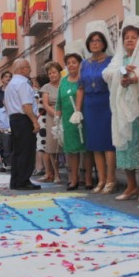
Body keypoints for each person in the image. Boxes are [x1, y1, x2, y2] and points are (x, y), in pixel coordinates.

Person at [103, 16, 139, 202]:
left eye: (133, 36)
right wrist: (122, 71)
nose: (129, 39)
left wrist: (136, 77)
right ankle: (131, 186)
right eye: (126, 36)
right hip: (123, 111)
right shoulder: (119, 58)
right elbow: (107, 74)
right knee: (125, 147)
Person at [75, 28, 116, 193]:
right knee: (95, 145)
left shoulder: (111, 61)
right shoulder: (84, 63)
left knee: (108, 144)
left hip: (106, 103)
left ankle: (111, 179)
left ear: (104, 43)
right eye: (92, 41)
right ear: (88, 44)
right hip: (90, 105)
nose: (95, 43)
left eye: (98, 40)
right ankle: (101, 179)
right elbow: (80, 88)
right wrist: (78, 109)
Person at [4, 58, 40, 190]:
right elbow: (26, 105)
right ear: (22, 69)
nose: (30, 70)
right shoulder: (23, 83)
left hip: (14, 119)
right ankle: (23, 180)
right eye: (28, 68)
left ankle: (16, 180)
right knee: (26, 150)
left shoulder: (11, 84)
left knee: (18, 151)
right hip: (24, 119)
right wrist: (34, 121)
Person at [55, 52, 85, 190]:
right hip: (67, 120)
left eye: (74, 62)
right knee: (71, 150)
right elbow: (59, 101)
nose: (71, 65)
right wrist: (57, 118)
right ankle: (74, 179)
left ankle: (88, 178)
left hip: (83, 118)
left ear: (80, 64)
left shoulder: (83, 78)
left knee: (86, 149)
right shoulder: (64, 81)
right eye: (68, 63)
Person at [40, 62, 62, 184]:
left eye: (54, 72)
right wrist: (56, 114)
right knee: (53, 147)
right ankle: (56, 174)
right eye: (50, 73)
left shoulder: (65, 83)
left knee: (67, 145)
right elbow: (45, 104)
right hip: (52, 117)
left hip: (67, 115)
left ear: (59, 73)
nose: (52, 75)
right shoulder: (46, 87)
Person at [32, 73, 50, 178]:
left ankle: (39, 167)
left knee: (40, 144)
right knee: (43, 144)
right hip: (47, 119)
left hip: (40, 120)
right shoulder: (47, 92)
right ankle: (43, 167)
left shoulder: (37, 94)